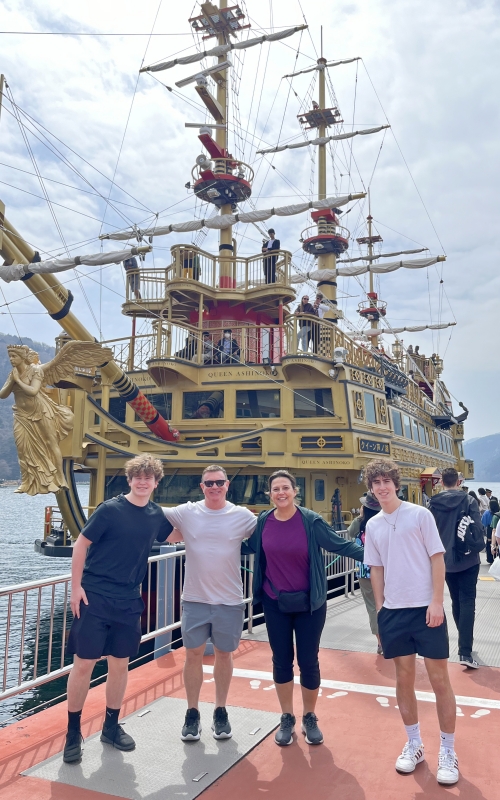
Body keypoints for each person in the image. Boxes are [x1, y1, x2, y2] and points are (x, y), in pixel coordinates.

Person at [242, 470, 364, 747]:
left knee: (308, 661)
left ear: (295, 491)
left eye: (285, 488)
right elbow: (248, 547)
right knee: (281, 660)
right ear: (270, 494)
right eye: (275, 489)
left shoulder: (310, 521)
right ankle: (287, 716)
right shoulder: (263, 522)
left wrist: (379, 555)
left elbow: (340, 545)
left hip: (310, 604)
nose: (281, 493)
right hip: (275, 602)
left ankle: (310, 716)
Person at [63, 454, 172, 764]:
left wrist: (213, 526)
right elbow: (81, 545)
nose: (142, 481)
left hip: (127, 599)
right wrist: (76, 587)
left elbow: (176, 534)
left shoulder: (155, 514)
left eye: (148, 477)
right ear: (129, 479)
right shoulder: (110, 510)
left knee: (120, 663)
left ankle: (111, 726)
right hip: (94, 596)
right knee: (83, 664)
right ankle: (73, 733)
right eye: (137, 476)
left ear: (156, 482)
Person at [363, 459, 459, 786]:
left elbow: (436, 557)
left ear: (395, 483)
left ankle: (448, 750)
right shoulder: (373, 525)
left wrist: (436, 601)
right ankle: (415, 744)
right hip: (393, 612)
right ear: (371, 489)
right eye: (375, 483)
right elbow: (376, 568)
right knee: (403, 679)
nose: (381, 487)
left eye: (385, 481)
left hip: (425, 609)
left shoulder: (420, 515)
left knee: (439, 680)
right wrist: (380, 609)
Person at [164, 465, 257, 742]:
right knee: (192, 655)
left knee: (224, 655)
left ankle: (220, 709)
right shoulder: (186, 512)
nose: (214, 487)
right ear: (201, 486)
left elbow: (272, 532)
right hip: (194, 598)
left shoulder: (242, 516)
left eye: (219, 482)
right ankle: (192, 712)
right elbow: (148, 514)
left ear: (227, 485)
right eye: (209, 483)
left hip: (229, 599)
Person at [429, 467, 484, 669]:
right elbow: (477, 529)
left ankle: (464, 644)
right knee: (467, 601)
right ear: (459, 482)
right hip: (468, 560)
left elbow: (428, 533)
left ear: (441, 482)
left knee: (455, 600)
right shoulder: (469, 501)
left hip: (444, 562)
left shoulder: (432, 504)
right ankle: (465, 651)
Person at [347, 492, 383, 654]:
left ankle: (380, 642)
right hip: (384, 569)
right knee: (388, 604)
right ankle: (391, 638)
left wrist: (360, 517)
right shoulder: (385, 520)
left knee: (372, 607)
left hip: (364, 571)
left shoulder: (360, 523)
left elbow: (349, 532)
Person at [482, 498, 497, 565]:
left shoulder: (487, 512)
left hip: (490, 529)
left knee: (489, 544)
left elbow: (483, 523)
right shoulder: (498, 513)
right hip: (497, 528)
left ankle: (490, 559)